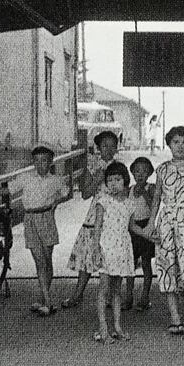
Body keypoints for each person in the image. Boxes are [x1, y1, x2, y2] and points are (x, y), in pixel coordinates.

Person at [140, 125, 184, 335]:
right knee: (167, 267)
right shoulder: (162, 169)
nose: (180, 146)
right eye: (176, 142)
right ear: (169, 144)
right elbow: (156, 198)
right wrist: (151, 223)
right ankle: (175, 318)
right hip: (167, 221)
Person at [62, 130, 121, 309]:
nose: (108, 149)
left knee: (111, 257)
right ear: (98, 148)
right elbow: (86, 193)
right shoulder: (92, 165)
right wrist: (97, 179)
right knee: (86, 255)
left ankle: (110, 296)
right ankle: (77, 294)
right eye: (105, 146)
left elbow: (124, 192)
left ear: (116, 148)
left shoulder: (119, 166)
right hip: (95, 213)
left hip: (113, 214)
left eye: (112, 146)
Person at [13, 145, 70, 315]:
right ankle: (48, 301)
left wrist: (56, 202)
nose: (40, 164)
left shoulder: (56, 180)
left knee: (46, 259)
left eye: (44, 161)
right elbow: (9, 188)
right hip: (30, 218)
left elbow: (66, 193)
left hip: (46, 218)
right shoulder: (25, 178)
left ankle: (42, 297)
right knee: (39, 261)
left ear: (51, 162)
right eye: (37, 161)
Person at [91, 160, 136, 343]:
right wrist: (95, 248)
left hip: (122, 249)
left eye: (117, 179)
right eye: (110, 180)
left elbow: (132, 227)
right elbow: (97, 226)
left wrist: (150, 235)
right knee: (104, 288)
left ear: (125, 181)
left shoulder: (129, 204)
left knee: (117, 290)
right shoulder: (103, 201)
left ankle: (117, 326)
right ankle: (103, 328)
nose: (113, 184)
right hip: (106, 247)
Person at [124, 156, 156, 311]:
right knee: (130, 264)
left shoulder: (151, 188)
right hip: (132, 229)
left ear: (149, 173)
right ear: (132, 173)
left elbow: (154, 206)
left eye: (144, 171)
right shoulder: (129, 190)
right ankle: (128, 296)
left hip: (146, 226)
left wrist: (144, 193)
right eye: (137, 171)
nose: (140, 174)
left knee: (146, 263)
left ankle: (145, 297)